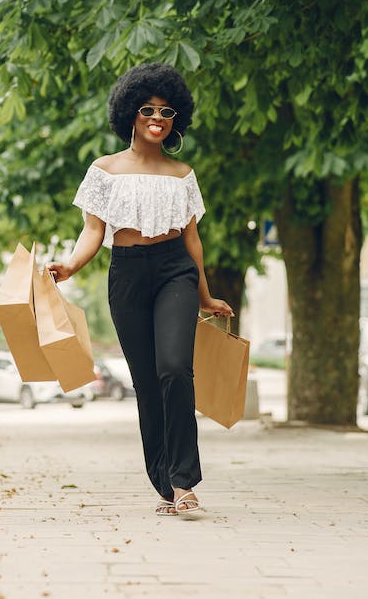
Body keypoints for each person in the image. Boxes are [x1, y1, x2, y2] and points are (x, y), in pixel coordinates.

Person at [47, 63, 234, 516]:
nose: (157, 117)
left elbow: (193, 242)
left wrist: (205, 296)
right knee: (147, 382)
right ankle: (165, 485)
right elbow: (93, 231)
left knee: (174, 368)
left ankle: (185, 480)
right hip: (127, 272)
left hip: (175, 271)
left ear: (176, 120)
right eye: (148, 108)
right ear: (130, 113)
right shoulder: (103, 171)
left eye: (167, 111)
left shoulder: (182, 174)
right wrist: (71, 265)